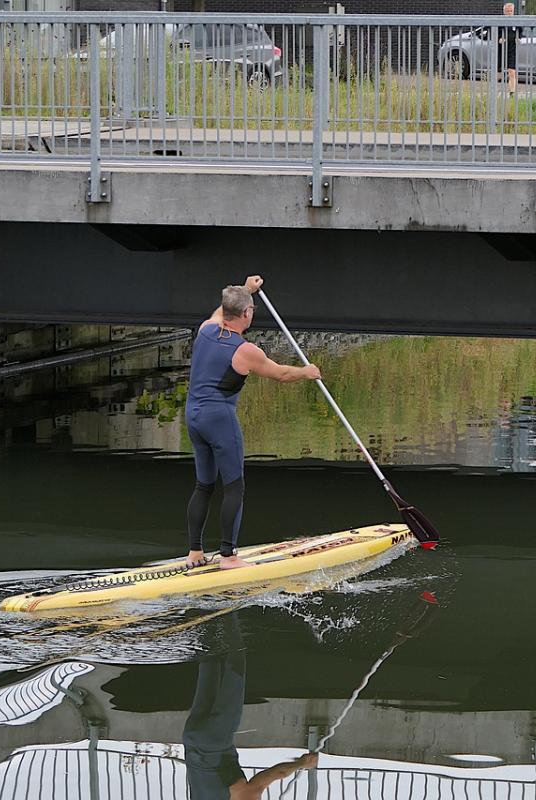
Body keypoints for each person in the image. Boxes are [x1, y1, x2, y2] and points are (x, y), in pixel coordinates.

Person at [184, 276, 321, 571]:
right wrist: (306, 372)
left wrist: (246, 290)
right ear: (246, 314)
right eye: (251, 309)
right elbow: (281, 374)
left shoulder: (206, 329)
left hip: (193, 415)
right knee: (234, 486)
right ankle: (228, 556)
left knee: (204, 484)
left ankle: (195, 552)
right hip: (218, 418)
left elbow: (223, 309)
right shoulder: (245, 350)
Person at [184, 614, 318, 800]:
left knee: (236, 662)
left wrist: (301, 764)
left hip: (215, 739)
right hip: (191, 737)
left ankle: (230, 605)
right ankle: (203, 608)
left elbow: (272, 775)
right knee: (209, 661)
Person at [498, 2, 519, 96]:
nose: (509, 13)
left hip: (512, 49)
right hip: (500, 49)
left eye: (511, 11)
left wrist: (519, 38)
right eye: (507, 11)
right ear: (504, 12)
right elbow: (493, 33)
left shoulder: (517, 22)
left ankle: (512, 93)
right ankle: (496, 91)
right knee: (498, 72)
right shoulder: (500, 22)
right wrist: (499, 38)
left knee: (512, 72)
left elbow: (521, 32)